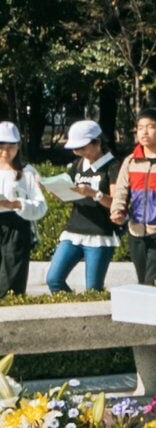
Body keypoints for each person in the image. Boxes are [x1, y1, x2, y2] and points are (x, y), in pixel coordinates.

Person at [114, 112, 156, 292]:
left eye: (151, 127)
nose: (144, 132)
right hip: (136, 231)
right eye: (140, 128)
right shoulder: (130, 161)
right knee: (144, 281)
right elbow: (121, 191)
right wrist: (117, 211)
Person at [47, 120, 117, 292]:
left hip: (99, 233)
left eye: (82, 148)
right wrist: (57, 191)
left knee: (93, 289)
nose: (78, 152)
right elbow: (69, 189)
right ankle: (69, 310)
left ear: (98, 142)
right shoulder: (78, 165)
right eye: (75, 149)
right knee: (53, 279)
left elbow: (117, 202)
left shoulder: (113, 166)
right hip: (73, 231)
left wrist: (94, 194)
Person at [0, 125, 39, 297]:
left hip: (16, 226)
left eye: (10, 147)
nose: (5, 152)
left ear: (18, 146)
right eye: (1, 146)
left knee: (11, 280)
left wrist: (16, 204)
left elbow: (39, 204)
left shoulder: (27, 172)